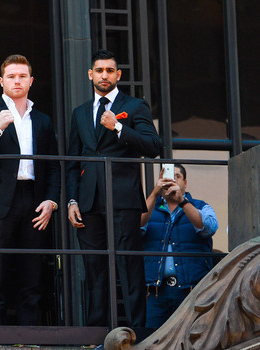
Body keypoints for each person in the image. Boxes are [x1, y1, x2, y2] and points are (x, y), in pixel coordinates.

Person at [66, 49, 160, 327]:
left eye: (109, 70)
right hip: (88, 202)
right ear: (90, 74)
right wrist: (72, 201)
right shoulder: (80, 113)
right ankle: (96, 335)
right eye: (99, 70)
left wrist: (118, 127)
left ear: (118, 75)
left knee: (129, 267)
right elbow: (72, 161)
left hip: (123, 198)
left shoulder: (135, 106)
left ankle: (137, 334)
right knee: (95, 269)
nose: (104, 75)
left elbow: (155, 147)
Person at [0, 54, 60, 326]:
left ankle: (29, 336)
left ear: (30, 81)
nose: (16, 81)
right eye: (11, 76)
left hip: (34, 199)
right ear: (1, 81)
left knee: (32, 272)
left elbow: (53, 165)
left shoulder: (41, 119)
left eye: (22, 76)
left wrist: (51, 201)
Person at [141, 164, 218, 328]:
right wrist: (155, 193)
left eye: (177, 176)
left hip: (191, 289)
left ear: (185, 182)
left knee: (191, 336)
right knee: (153, 339)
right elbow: (135, 228)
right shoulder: (151, 206)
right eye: (167, 175)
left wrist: (182, 201)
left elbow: (209, 228)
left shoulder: (199, 205)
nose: (172, 179)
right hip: (156, 290)